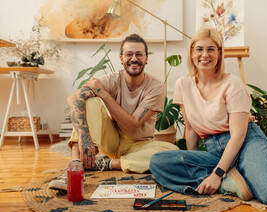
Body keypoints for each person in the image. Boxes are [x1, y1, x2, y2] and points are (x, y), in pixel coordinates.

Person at [149, 28, 267, 208]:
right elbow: (191, 130)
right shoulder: (183, 84)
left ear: (219, 53)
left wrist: (215, 173)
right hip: (213, 148)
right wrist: (192, 160)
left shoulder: (232, 84)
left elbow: (237, 136)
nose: (204, 55)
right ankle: (228, 181)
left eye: (211, 49)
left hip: (244, 143)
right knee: (158, 162)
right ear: (191, 53)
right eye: (199, 49)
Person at [49, 34, 178, 191]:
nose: (134, 58)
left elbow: (132, 125)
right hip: (111, 139)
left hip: (139, 145)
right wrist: (84, 136)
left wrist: (103, 93)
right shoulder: (112, 79)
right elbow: (73, 99)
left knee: (172, 151)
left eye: (139, 54)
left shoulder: (156, 87)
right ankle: (76, 166)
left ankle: (106, 163)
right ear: (121, 58)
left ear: (146, 58)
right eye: (129, 54)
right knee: (88, 101)